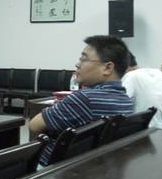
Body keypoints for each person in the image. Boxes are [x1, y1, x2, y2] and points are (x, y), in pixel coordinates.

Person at [29, 35, 133, 165]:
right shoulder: (126, 100)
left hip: (53, 168)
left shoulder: (85, 99)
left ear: (107, 68)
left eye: (84, 59)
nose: (77, 64)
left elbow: (34, 125)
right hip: (91, 164)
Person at [122, 52, 162, 129]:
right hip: (161, 127)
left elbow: (120, 107)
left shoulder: (130, 76)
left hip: (147, 129)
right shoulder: (157, 72)